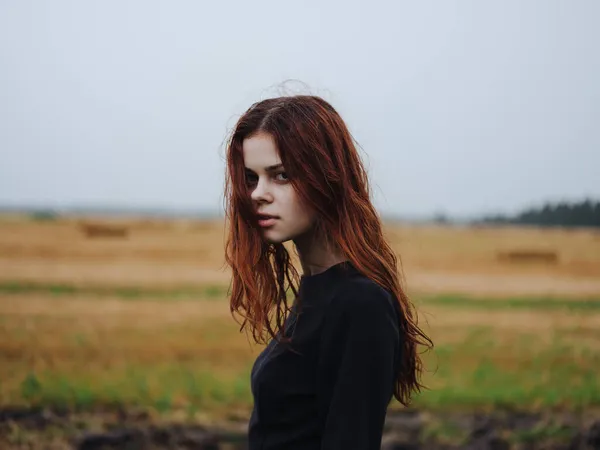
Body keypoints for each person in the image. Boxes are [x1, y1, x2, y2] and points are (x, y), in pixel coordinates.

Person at [223, 95, 432, 450]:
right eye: (251, 178)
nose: (258, 194)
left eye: (281, 175)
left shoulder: (360, 304)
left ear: (326, 177)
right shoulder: (317, 289)